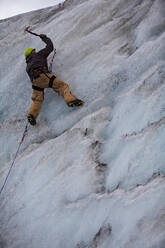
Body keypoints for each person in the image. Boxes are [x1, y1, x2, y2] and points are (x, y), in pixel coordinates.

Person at [24, 34, 83, 126]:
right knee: (62, 86)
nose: (35, 51)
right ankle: (70, 100)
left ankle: (32, 115)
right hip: (43, 76)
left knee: (37, 99)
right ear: (32, 52)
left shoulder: (27, 66)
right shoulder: (38, 55)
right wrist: (44, 38)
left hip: (35, 82)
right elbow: (50, 47)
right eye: (34, 51)